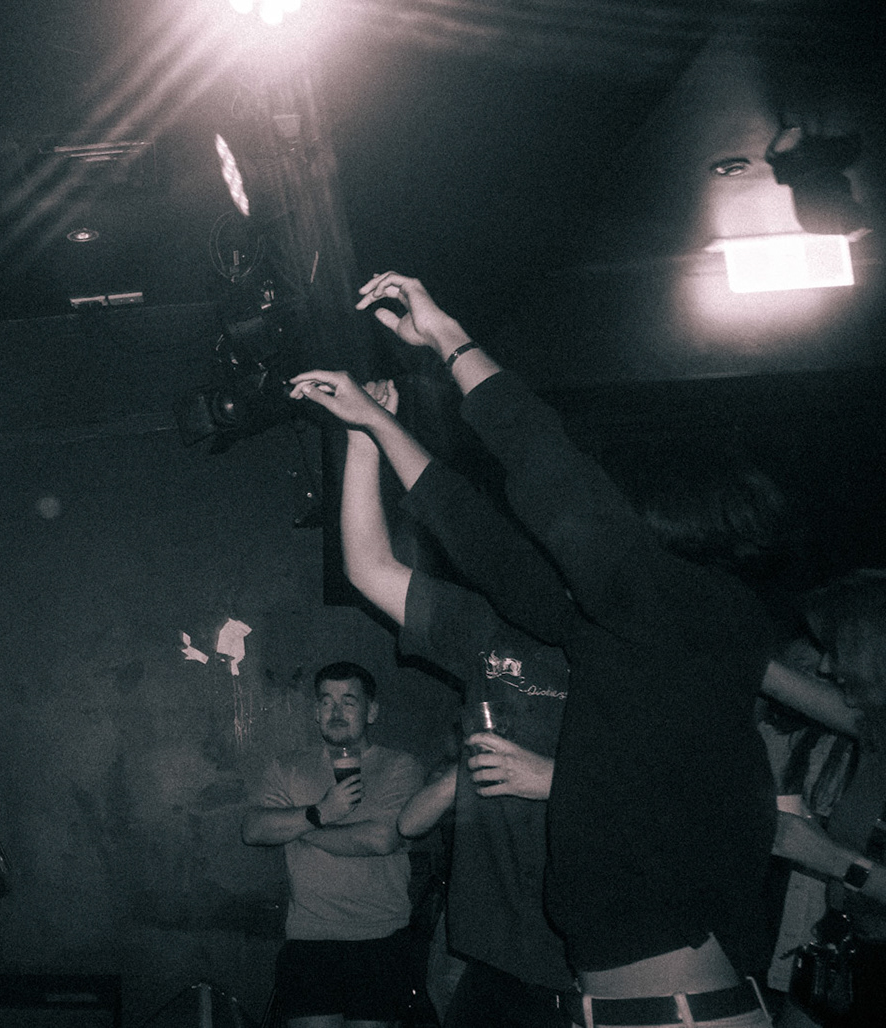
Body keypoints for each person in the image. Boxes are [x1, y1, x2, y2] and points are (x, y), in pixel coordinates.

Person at [293, 272, 782, 1028]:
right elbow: (491, 549)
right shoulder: (618, 631)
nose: (589, 526)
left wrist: (449, 339)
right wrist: (377, 428)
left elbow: (549, 473)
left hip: (681, 1013)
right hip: (622, 1005)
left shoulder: (691, 618)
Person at [300, 372, 574, 1028]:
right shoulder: (490, 626)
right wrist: (362, 440)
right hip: (493, 947)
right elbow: (369, 568)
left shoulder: (630, 641)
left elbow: (688, 788)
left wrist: (556, 779)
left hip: (596, 951)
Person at [243, 661, 426, 1028]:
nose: (336, 712)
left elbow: (381, 839)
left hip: (381, 936)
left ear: (372, 711)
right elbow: (253, 829)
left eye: (349, 701)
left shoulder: (399, 766)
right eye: (326, 701)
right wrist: (319, 812)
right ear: (316, 711)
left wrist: (302, 827)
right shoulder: (288, 767)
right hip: (309, 936)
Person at [757, 572, 886, 1026]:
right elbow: (775, 680)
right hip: (844, 953)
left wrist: (834, 860)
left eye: (837, 651)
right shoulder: (876, 732)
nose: (827, 668)